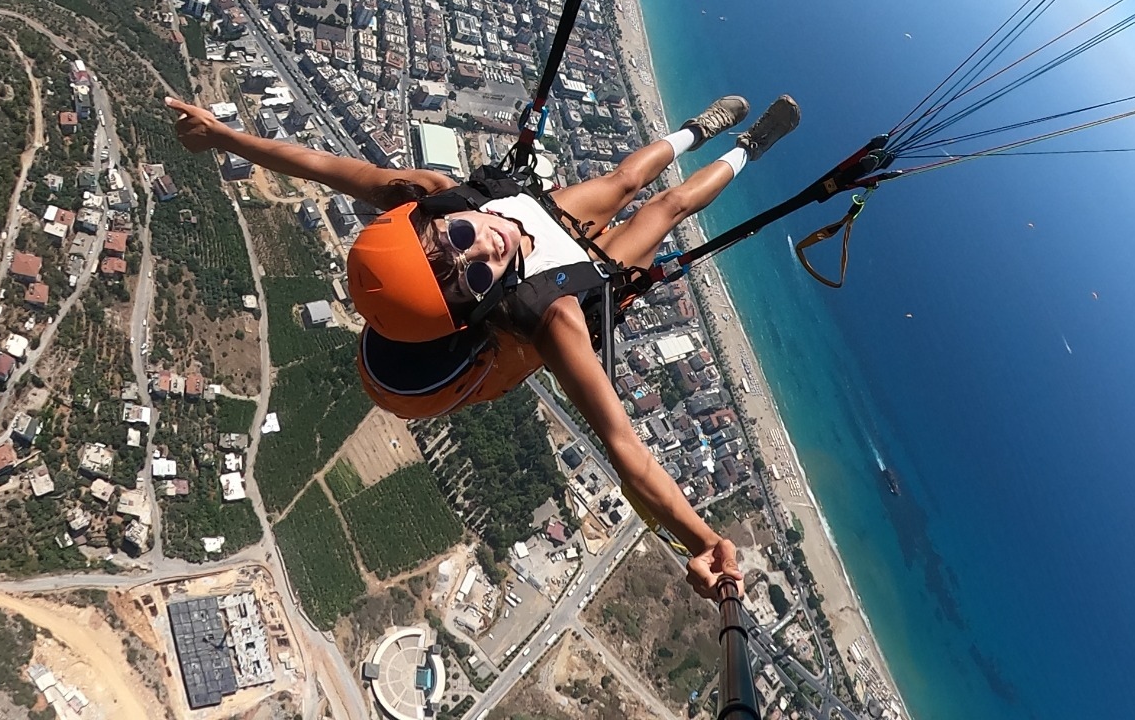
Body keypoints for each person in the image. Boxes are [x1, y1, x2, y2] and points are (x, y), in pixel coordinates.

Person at [166, 92, 800, 598]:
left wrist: (224, 138)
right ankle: (748, 150)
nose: (486, 247)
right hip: (574, 276)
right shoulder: (549, 320)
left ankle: (694, 131)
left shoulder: (428, 195)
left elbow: (322, 166)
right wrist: (703, 540)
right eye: (473, 278)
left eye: (461, 237)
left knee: (627, 177)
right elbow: (626, 449)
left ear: (435, 215)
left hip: (548, 228)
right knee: (666, 207)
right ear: (475, 306)